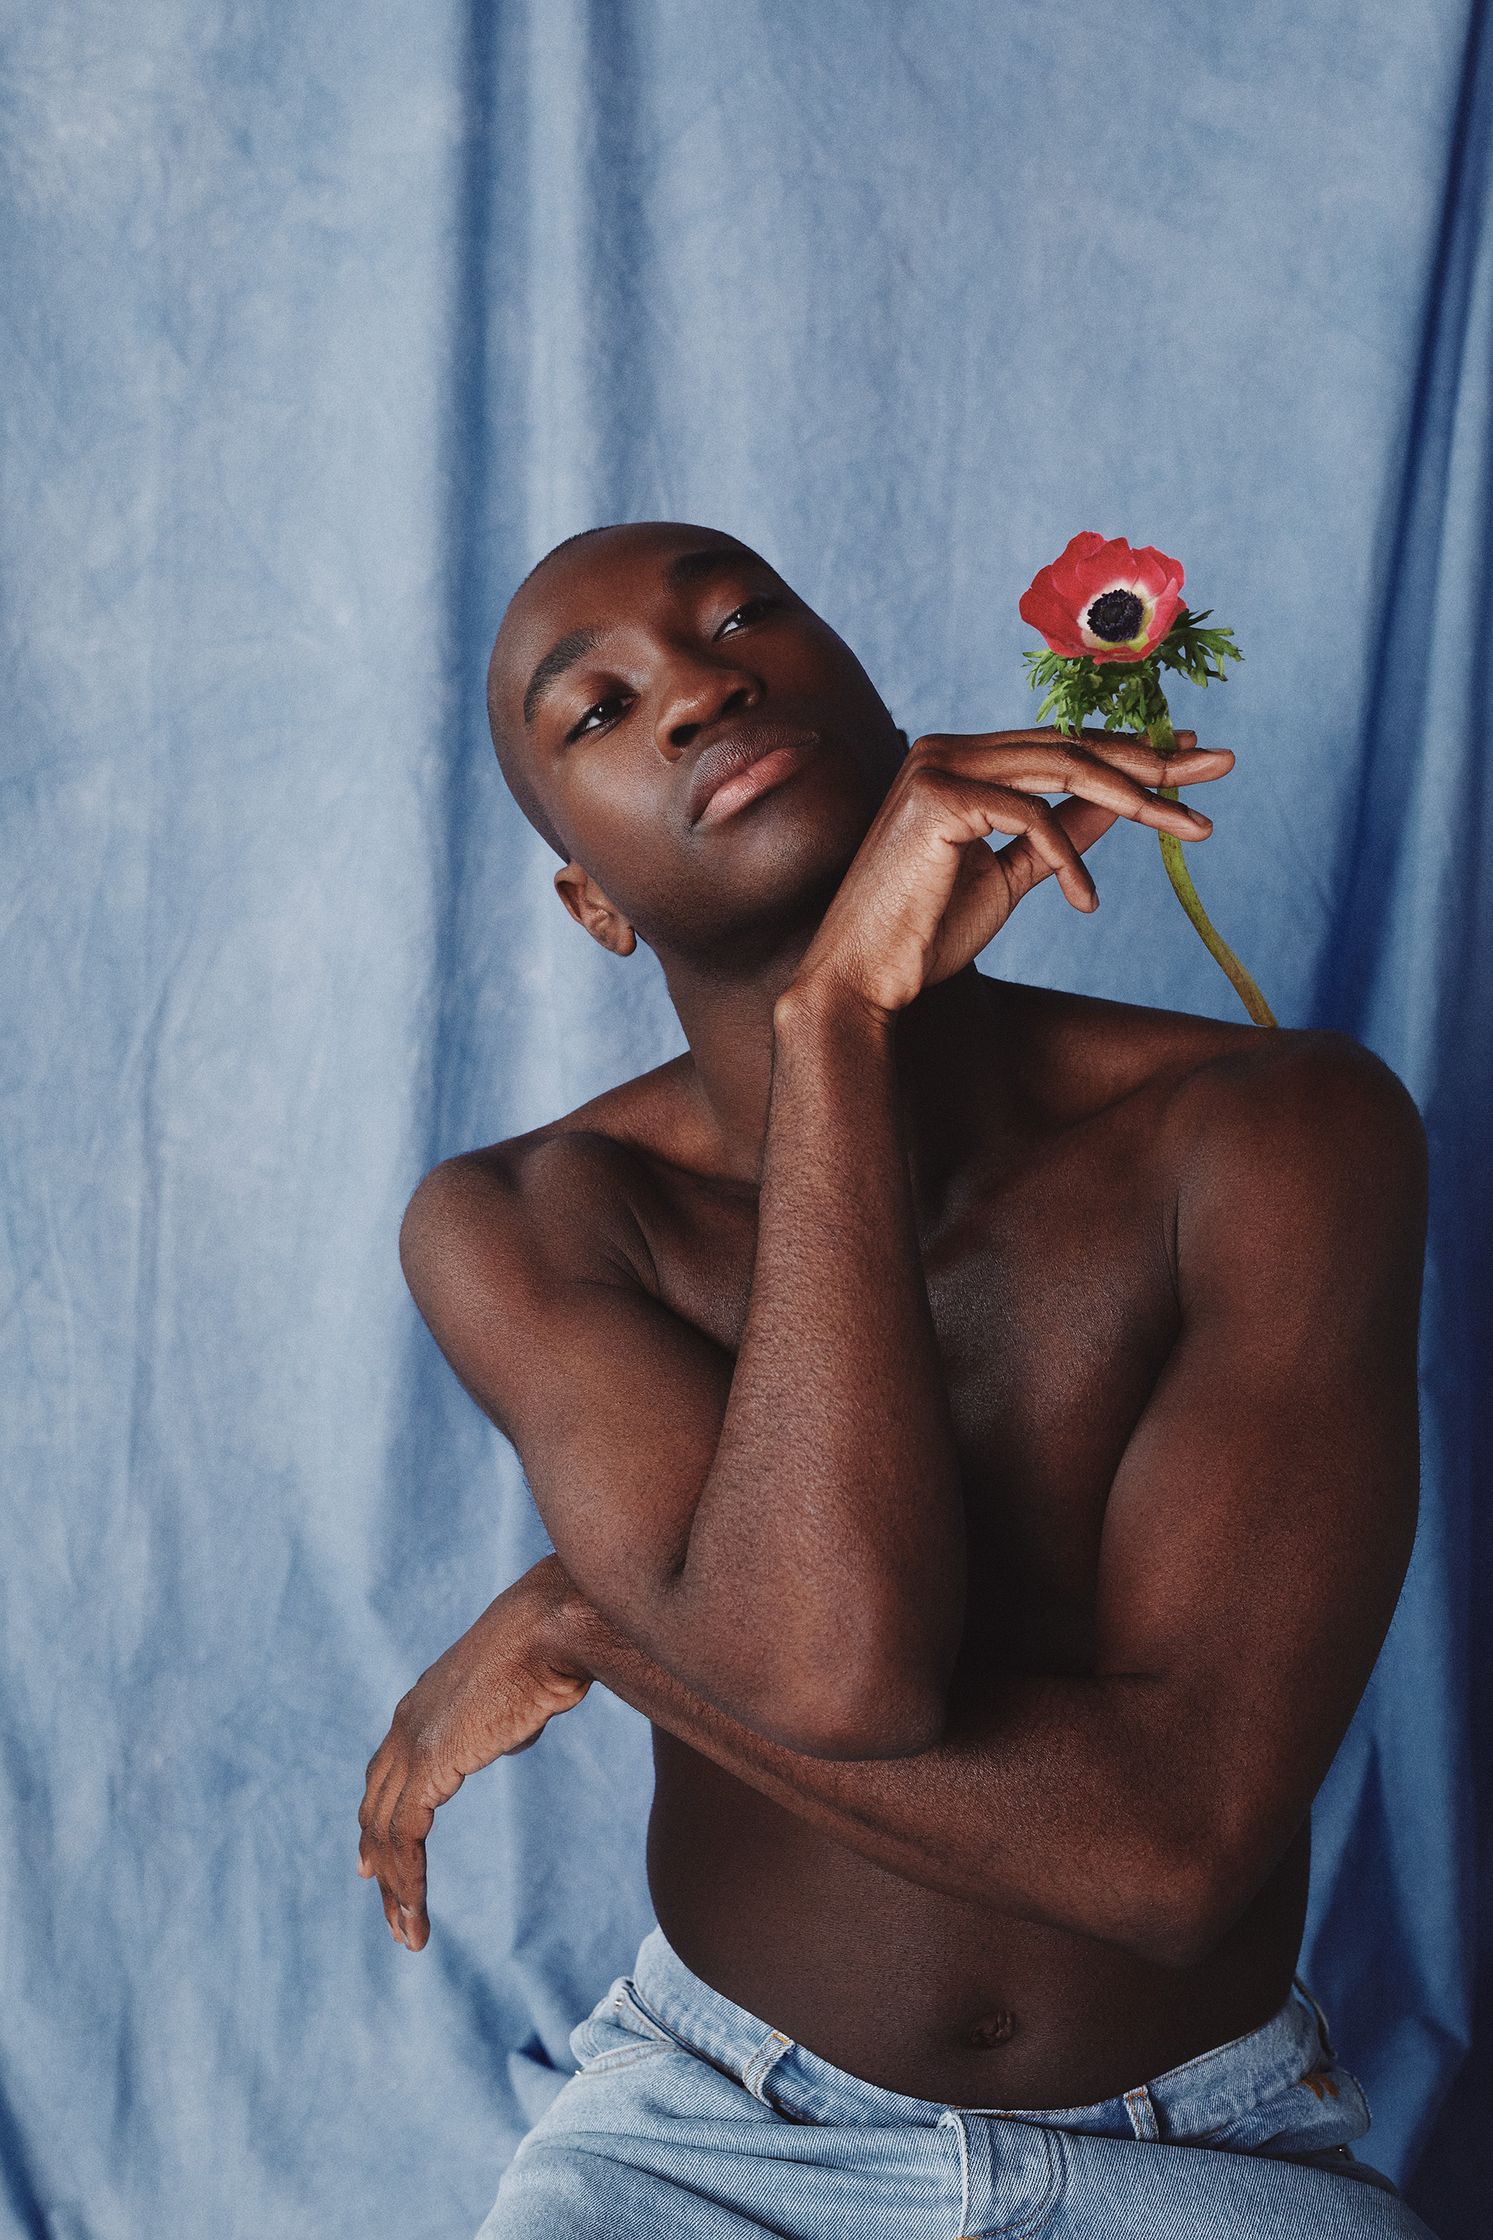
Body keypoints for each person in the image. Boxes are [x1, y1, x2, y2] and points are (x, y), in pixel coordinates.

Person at [357, 520, 1437, 2237]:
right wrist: (833, 1023)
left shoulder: (1272, 1136)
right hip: (707, 2141)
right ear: (590, 903)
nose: (702, 687)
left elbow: (1172, 1858)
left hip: (1204, 2156)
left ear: (884, 714)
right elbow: (829, 1670)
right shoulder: (529, 1222)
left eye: (742, 621)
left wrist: (593, 1620)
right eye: (600, 709)